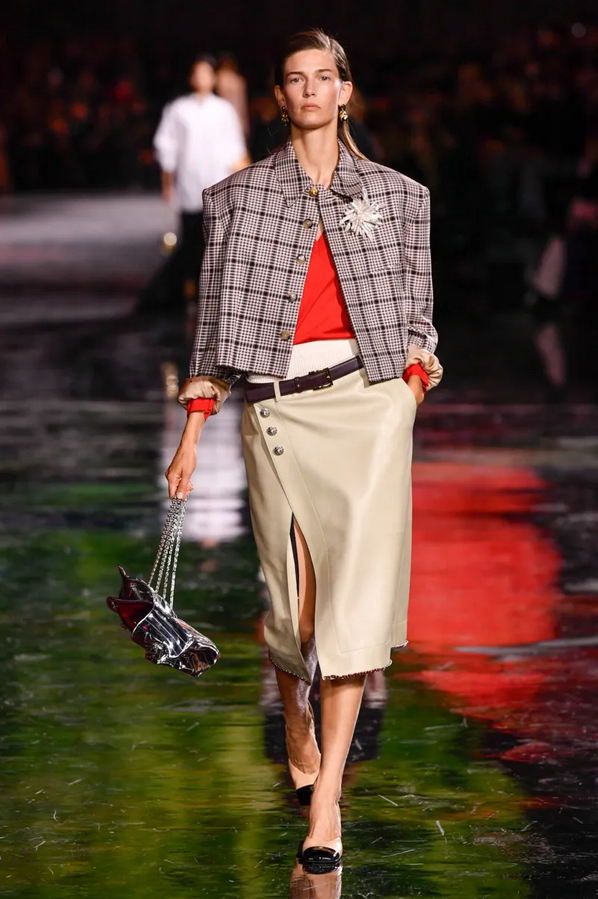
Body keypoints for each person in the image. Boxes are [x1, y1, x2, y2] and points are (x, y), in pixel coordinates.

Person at [166, 29, 442, 873]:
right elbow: (214, 325)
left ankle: (326, 807)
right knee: (294, 611)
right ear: (279, 96)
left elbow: (420, 316)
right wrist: (192, 433)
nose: (313, 89)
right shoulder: (237, 199)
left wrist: (407, 393)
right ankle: (295, 712)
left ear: (346, 91)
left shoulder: (399, 196)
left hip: (369, 408)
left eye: (326, 76)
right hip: (277, 407)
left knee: (351, 611)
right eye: (297, 78)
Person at [138, 53, 248, 315]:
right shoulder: (178, 109)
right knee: (190, 242)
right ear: (191, 77)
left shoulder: (223, 110)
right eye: (197, 73)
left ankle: (211, 295)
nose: (202, 78)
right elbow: (166, 146)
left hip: (218, 183)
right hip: (189, 185)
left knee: (215, 242)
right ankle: (188, 293)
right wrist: (167, 182)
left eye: (206, 73)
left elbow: (234, 149)